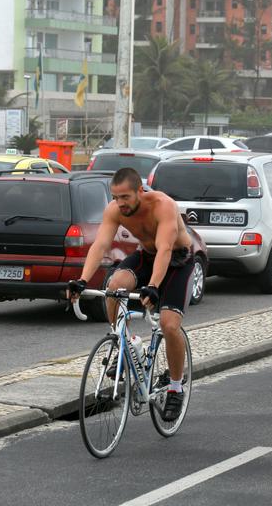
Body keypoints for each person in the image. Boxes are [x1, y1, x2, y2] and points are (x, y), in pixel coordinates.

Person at [66, 167, 194, 422]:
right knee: (115, 287)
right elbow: (101, 244)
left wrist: (154, 286)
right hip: (147, 255)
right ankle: (123, 342)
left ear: (140, 191)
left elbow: (166, 248)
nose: (119, 203)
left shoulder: (162, 205)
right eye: (115, 197)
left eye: (125, 197)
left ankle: (176, 387)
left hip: (177, 260)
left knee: (169, 325)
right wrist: (81, 280)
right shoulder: (114, 210)